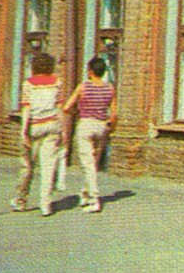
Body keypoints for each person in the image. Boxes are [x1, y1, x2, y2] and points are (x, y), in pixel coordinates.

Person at [10, 52, 63, 217]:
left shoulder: (28, 84)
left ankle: (20, 199)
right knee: (49, 166)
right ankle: (45, 204)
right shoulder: (57, 82)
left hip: (34, 126)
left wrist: (23, 131)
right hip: (52, 125)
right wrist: (64, 130)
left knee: (27, 166)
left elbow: (26, 108)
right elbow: (60, 108)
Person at [61, 56, 116, 213]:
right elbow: (114, 114)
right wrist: (111, 128)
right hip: (102, 126)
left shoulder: (82, 87)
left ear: (90, 71)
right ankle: (85, 193)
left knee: (88, 164)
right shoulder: (110, 88)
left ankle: (94, 199)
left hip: (86, 125)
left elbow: (66, 108)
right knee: (94, 164)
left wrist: (77, 113)